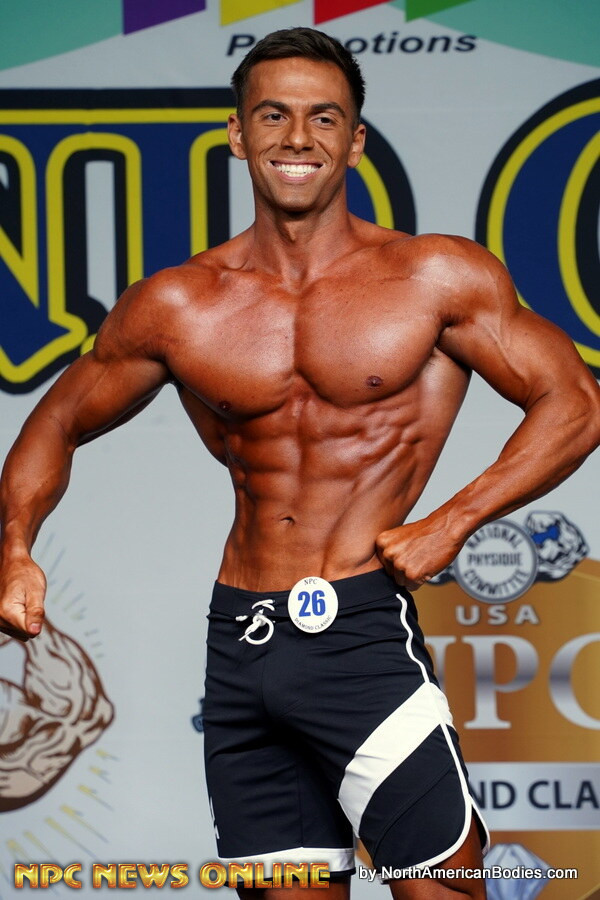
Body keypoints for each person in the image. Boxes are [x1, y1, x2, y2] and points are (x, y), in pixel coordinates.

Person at [0, 25, 598, 900]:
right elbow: (54, 422)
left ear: (355, 141)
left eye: (324, 118)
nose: (298, 137)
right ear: (237, 134)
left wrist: (453, 521)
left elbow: (575, 403)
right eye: (273, 115)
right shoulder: (179, 303)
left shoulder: (433, 277)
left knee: (441, 888)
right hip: (239, 639)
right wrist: (16, 546)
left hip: (359, 631)